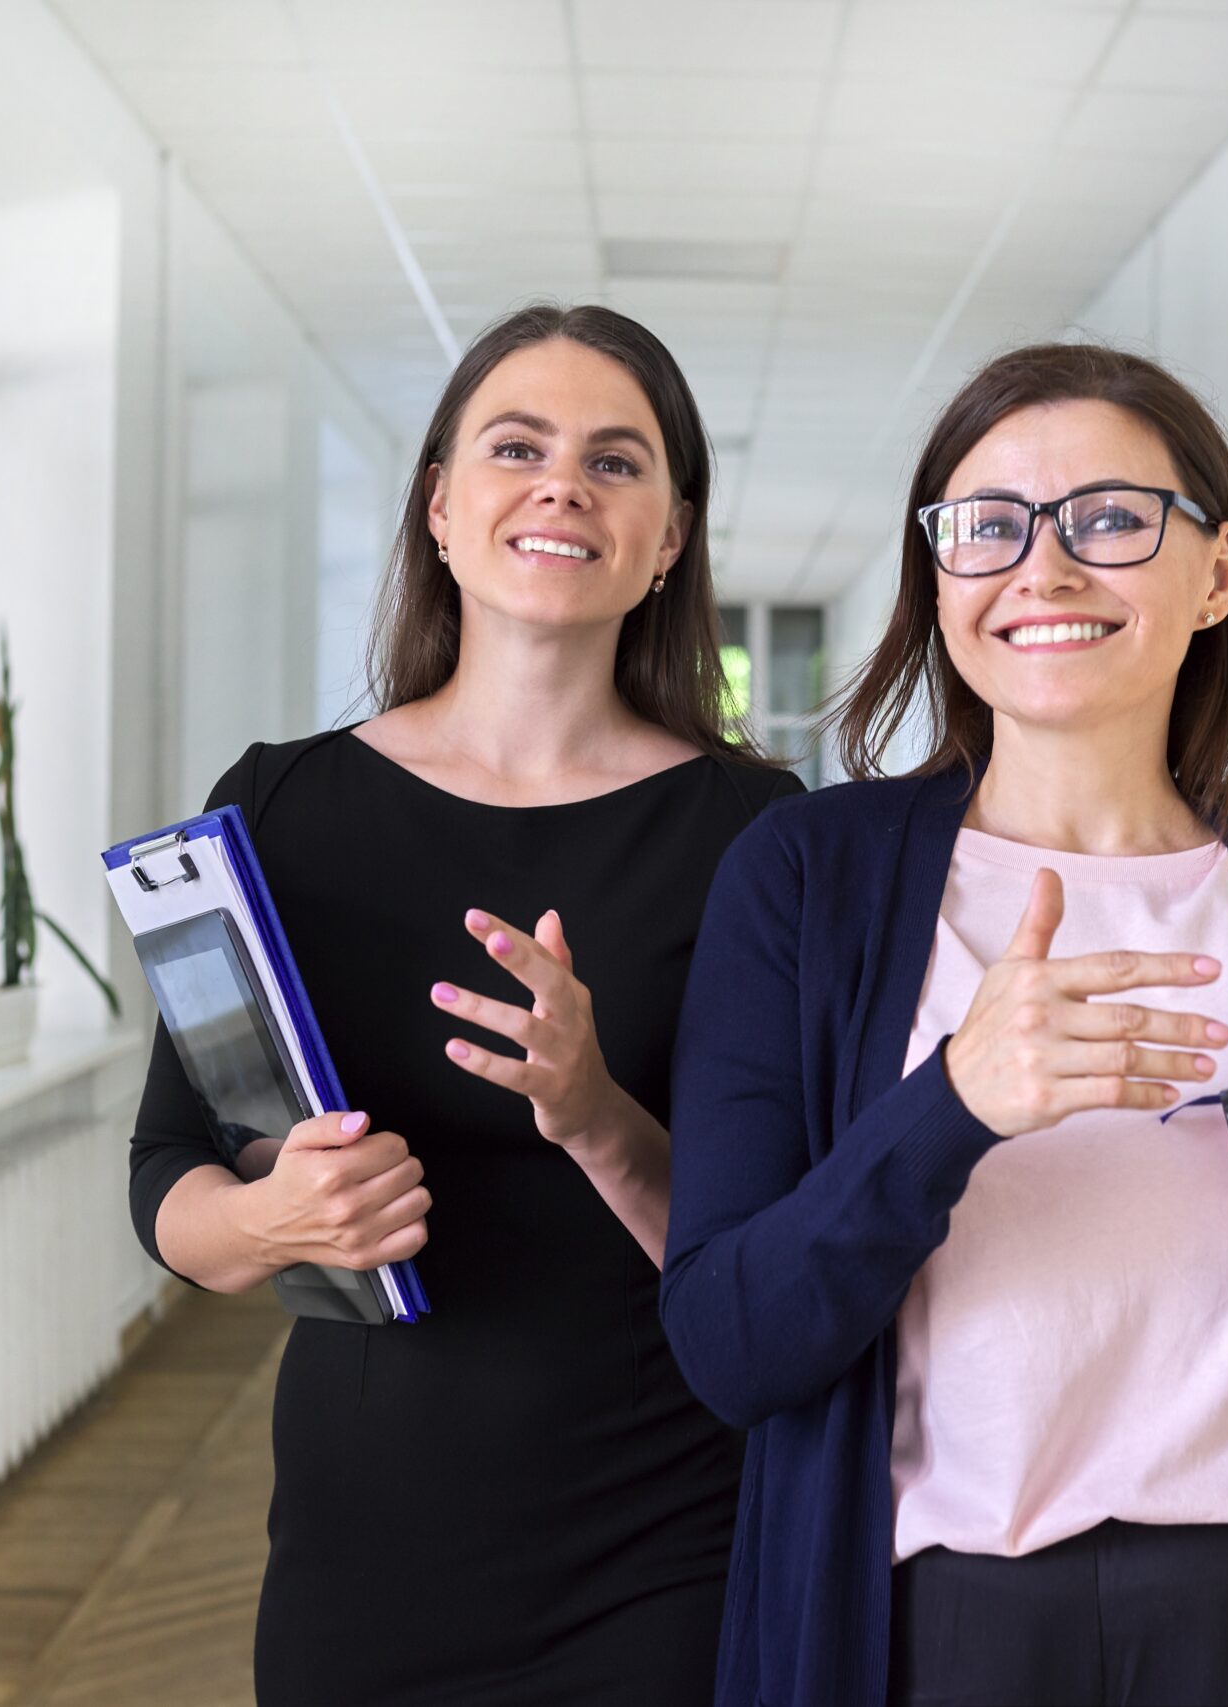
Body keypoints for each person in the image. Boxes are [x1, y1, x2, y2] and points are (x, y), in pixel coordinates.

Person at [661, 342, 1228, 1707]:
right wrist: (954, 1102)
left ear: (1216, 574)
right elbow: (733, 1344)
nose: (1042, 567)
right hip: (927, 1640)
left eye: (1109, 517)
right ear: (938, 581)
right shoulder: (807, 877)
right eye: (988, 527)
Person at [126, 303, 803, 1706]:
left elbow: (780, 1261)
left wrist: (595, 1109)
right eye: (518, 447)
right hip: (366, 1539)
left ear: (669, 537)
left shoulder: (761, 833)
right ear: (442, 506)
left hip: (669, 1532)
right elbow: (167, 1181)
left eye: (619, 461)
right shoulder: (278, 808)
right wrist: (270, 1220)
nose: (564, 483)